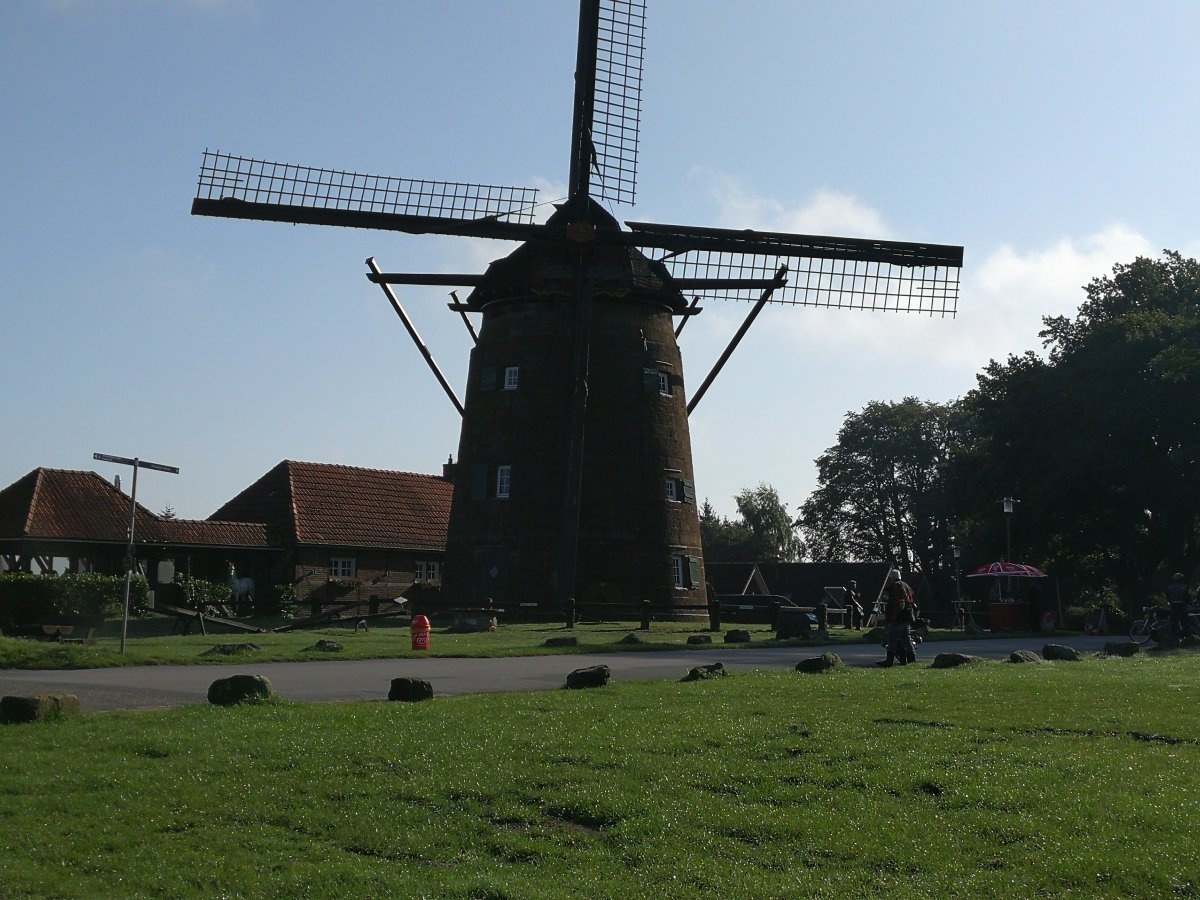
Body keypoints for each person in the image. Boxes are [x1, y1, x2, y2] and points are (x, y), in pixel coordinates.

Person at [876, 569, 917, 667]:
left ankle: (889, 660)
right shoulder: (907, 586)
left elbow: (899, 603)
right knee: (906, 638)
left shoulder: (895, 586)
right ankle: (912, 659)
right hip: (908, 616)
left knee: (891, 638)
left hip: (898, 617)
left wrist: (893, 617)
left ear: (891, 577)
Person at [1166, 573, 1194, 640]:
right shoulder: (1184, 587)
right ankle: (1185, 637)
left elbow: (1168, 598)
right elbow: (1188, 597)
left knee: (1173, 623)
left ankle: (1174, 637)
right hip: (1182, 606)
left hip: (1173, 606)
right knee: (1184, 622)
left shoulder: (1170, 587)